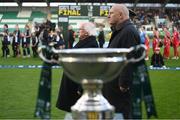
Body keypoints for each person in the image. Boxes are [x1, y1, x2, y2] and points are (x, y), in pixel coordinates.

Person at [102, 4, 144, 119]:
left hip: (119, 89)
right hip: (113, 86)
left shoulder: (128, 31)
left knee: (122, 115)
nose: (108, 16)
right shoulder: (121, 31)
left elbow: (129, 58)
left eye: (111, 13)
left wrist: (124, 83)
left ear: (120, 15)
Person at [56, 22, 99, 112]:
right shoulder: (85, 41)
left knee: (80, 111)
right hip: (73, 81)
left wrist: (81, 87)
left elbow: (88, 69)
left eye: (80, 29)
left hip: (77, 85)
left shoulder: (91, 45)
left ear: (87, 32)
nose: (78, 31)